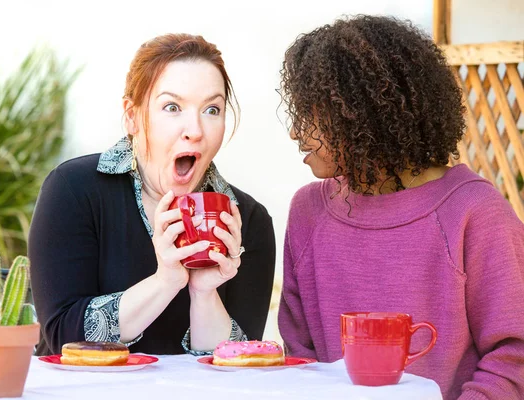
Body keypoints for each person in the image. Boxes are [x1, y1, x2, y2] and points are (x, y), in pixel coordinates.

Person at [277, 15, 524, 400]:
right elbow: (301, 354)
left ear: (362, 112)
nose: (296, 131)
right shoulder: (308, 211)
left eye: (312, 113)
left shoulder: (475, 213)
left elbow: (514, 354)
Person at [28, 33, 275, 357]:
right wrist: (166, 282)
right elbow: (63, 337)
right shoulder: (74, 191)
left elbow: (237, 366)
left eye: (212, 109)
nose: (196, 129)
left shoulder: (248, 220)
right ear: (132, 115)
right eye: (172, 107)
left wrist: (203, 293)